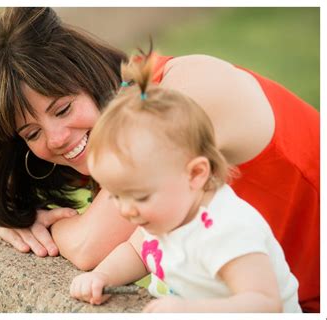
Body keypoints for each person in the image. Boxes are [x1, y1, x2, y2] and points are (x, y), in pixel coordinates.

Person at [0, 7, 319, 311]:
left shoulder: (173, 104)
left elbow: (89, 247)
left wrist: (41, 227)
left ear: (90, 74)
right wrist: (12, 221)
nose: (55, 138)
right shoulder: (95, 140)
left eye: (63, 108)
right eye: (31, 133)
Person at [69, 55, 301, 313]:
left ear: (195, 174)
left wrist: (190, 310)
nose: (126, 210)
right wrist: (101, 276)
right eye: (115, 196)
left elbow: (265, 304)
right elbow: (136, 252)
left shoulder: (227, 230)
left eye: (140, 196)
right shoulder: (167, 213)